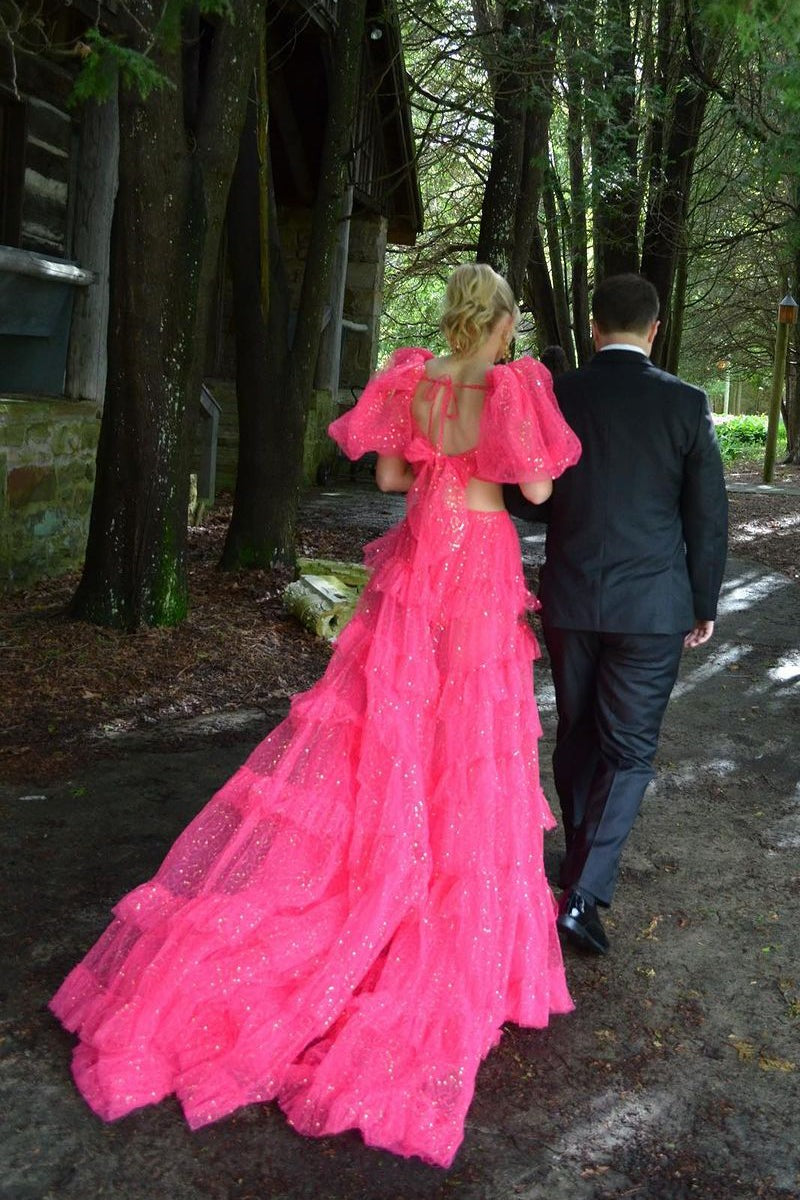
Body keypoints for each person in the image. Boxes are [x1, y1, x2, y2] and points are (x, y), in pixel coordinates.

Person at [49, 263, 582, 1169]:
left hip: (420, 555)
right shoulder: (511, 385)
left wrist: (434, 453)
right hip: (481, 560)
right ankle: (439, 877)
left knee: (393, 717)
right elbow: (534, 491)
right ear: (499, 324)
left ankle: (382, 853)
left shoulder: (412, 379)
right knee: (469, 731)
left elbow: (383, 478)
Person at [506, 273, 728, 956]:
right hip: (653, 606)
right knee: (629, 751)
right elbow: (707, 516)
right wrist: (702, 601)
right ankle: (582, 894)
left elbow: (529, 500)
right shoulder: (687, 405)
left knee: (576, 733)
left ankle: (578, 871)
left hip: (572, 598)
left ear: (594, 327)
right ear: (654, 329)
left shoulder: (559, 394)